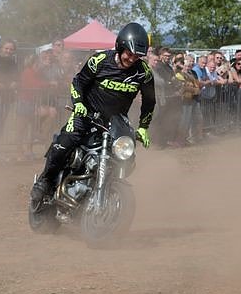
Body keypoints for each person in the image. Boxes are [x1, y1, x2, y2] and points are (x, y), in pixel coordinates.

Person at [30, 22, 156, 206]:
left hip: (116, 120)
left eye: (137, 56)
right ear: (121, 46)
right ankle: (45, 181)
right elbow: (78, 83)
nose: (132, 59)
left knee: (127, 155)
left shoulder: (143, 73)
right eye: (129, 54)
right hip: (86, 114)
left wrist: (143, 128)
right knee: (66, 141)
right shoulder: (99, 60)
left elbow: (150, 101)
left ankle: (105, 185)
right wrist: (79, 103)